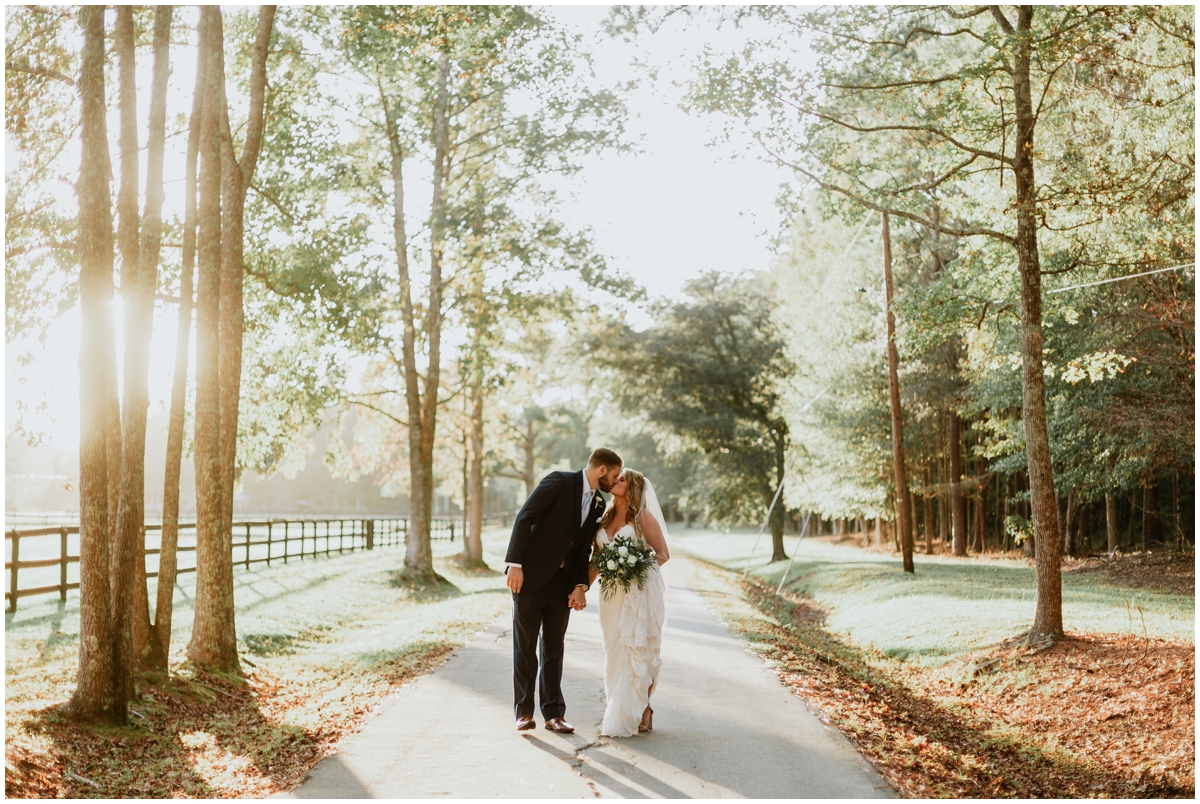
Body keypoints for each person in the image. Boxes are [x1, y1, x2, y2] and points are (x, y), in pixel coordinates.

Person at [504, 447, 623, 733]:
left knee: (554, 648)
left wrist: (580, 585)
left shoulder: (597, 504)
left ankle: (554, 714)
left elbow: (583, 551)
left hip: (561, 585)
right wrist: (515, 564)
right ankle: (523, 712)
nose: (615, 481)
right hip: (529, 578)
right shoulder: (558, 482)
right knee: (525, 647)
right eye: (615, 475)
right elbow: (525, 518)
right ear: (602, 470)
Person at [583, 468, 669, 737]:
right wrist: (580, 588)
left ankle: (638, 709)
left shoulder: (642, 518)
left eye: (621, 480)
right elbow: (597, 560)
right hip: (609, 597)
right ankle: (622, 705)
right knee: (614, 652)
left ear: (631, 488)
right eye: (615, 478)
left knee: (635, 651)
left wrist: (636, 569)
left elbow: (663, 554)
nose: (615, 482)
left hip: (635, 595)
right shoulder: (605, 517)